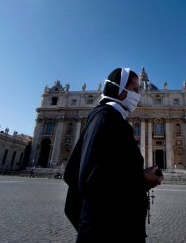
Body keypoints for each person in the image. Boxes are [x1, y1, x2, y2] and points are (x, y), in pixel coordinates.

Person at [64, 68, 162, 242]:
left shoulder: (110, 118)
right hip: (107, 231)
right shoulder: (106, 119)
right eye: (135, 89)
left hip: (110, 226)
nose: (138, 94)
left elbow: (106, 170)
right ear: (120, 91)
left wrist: (139, 177)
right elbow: (93, 179)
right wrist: (141, 180)